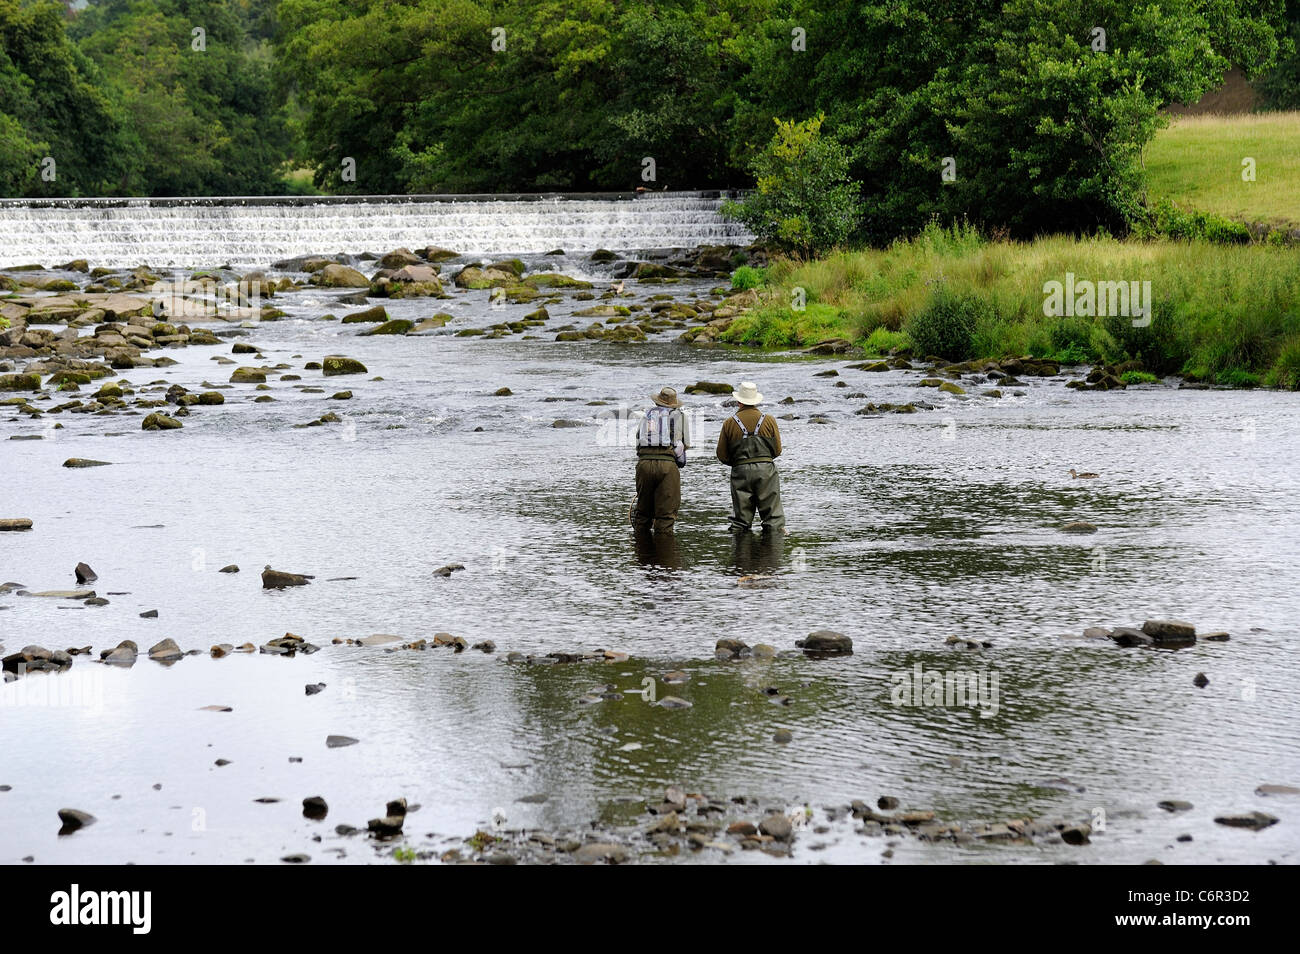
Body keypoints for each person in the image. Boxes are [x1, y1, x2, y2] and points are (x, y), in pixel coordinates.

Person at [716, 381, 785, 533]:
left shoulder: (729, 423)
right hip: (766, 471)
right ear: (756, 400)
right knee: (773, 520)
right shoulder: (769, 420)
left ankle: (740, 554)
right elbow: (778, 450)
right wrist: (764, 459)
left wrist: (739, 463)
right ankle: (771, 552)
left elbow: (721, 455)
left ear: (739, 401)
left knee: (740, 522)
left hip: (740, 471)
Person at [631, 386, 689, 533]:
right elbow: (685, 444)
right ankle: (664, 553)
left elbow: (638, 440)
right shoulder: (680, 416)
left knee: (642, 514)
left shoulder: (647, 415)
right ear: (674, 403)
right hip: (667, 465)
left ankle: (641, 552)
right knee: (666, 516)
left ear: (657, 402)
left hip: (644, 464)